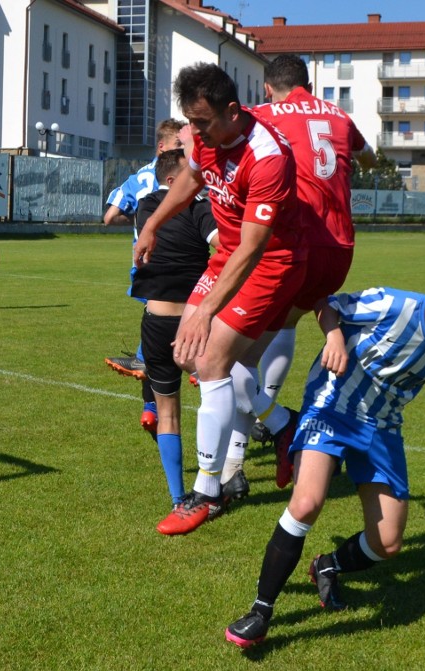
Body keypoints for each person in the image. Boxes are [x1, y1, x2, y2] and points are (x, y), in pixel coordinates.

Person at [224, 261, 425, 648]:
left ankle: (328, 565)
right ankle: (260, 611)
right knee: (306, 502)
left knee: (387, 543)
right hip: (333, 405)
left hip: (383, 426)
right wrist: (335, 338)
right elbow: (325, 304)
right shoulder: (394, 304)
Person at [132, 62, 308, 536]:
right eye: (189, 121)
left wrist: (206, 311)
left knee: (209, 360)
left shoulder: (266, 155)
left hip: (269, 263)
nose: (194, 132)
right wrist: (152, 223)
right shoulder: (208, 138)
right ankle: (281, 422)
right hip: (227, 257)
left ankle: (207, 492)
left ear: (233, 111)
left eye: (202, 122)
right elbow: (189, 180)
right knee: (188, 354)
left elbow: (253, 247)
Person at [221, 53, 377, 491]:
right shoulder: (339, 115)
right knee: (262, 344)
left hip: (294, 248)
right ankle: (242, 456)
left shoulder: (261, 115)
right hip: (340, 248)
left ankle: (267, 437)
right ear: (308, 82)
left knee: (227, 358)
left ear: (267, 87)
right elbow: (363, 155)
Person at [129, 149, 223, 522]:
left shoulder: (145, 208)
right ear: (173, 182)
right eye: (190, 176)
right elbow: (221, 243)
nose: (196, 182)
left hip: (155, 321)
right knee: (218, 400)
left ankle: (177, 498)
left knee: (168, 412)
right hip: (196, 326)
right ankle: (220, 478)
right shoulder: (199, 207)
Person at [103, 118, 186, 433]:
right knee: (183, 317)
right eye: (179, 146)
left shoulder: (135, 179)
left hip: (145, 263)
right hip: (177, 260)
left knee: (155, 321)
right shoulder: (181, 176)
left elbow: (109, 216)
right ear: (162, 147)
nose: (184, 151)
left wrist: (140, 221)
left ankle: (150, 409)